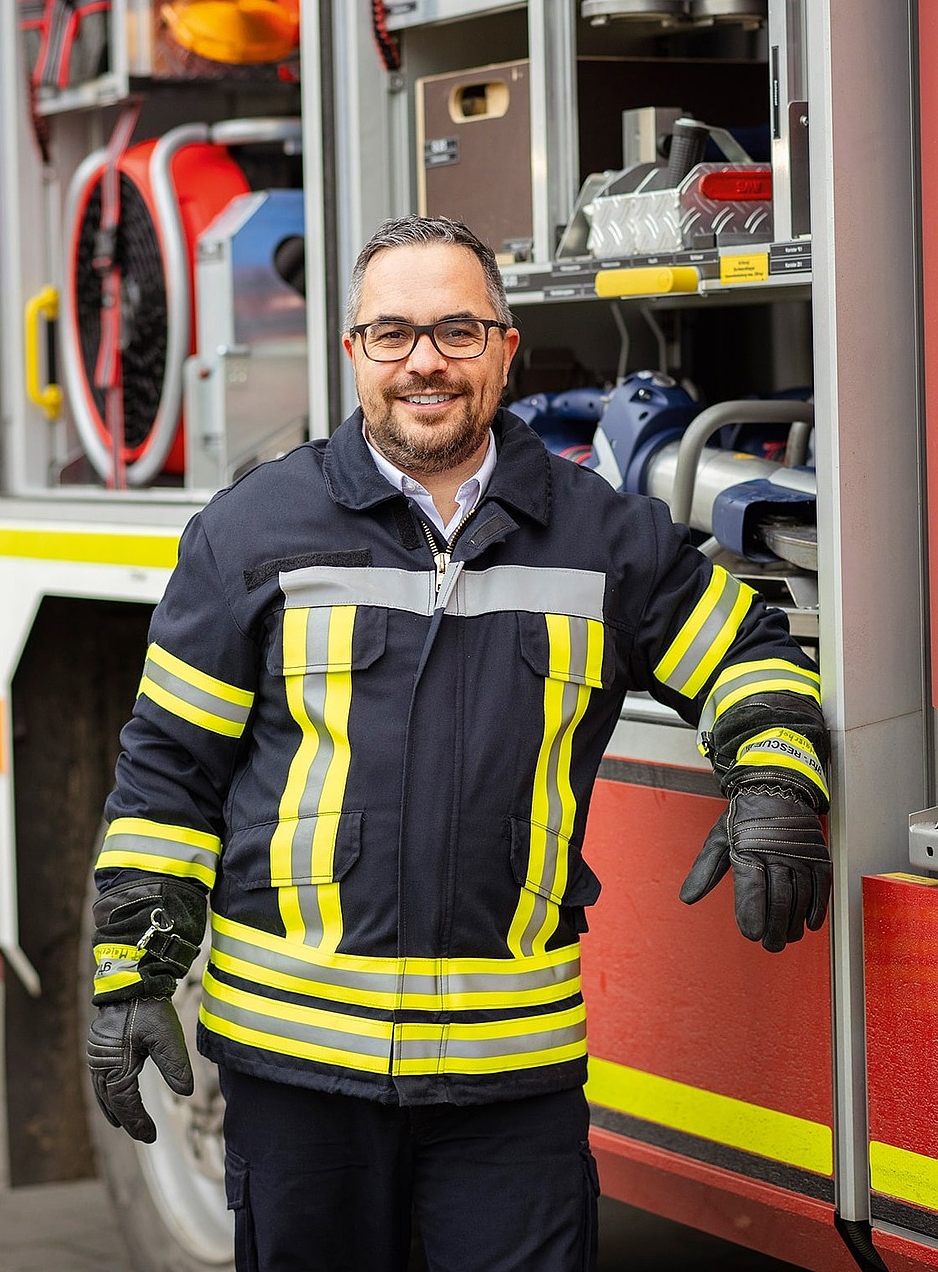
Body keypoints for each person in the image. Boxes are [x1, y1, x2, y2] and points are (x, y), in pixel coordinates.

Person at [86, 215, 831, 1271]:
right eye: (391, 333)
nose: (423, 360)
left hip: (510, 1092)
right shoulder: (250, 532)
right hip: (297, 1082)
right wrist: (131, 970)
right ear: (352, 354)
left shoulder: (602, 536)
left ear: (505, 348)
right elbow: (169, 772)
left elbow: (745, 652)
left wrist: (772, 780)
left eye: (457, 330)